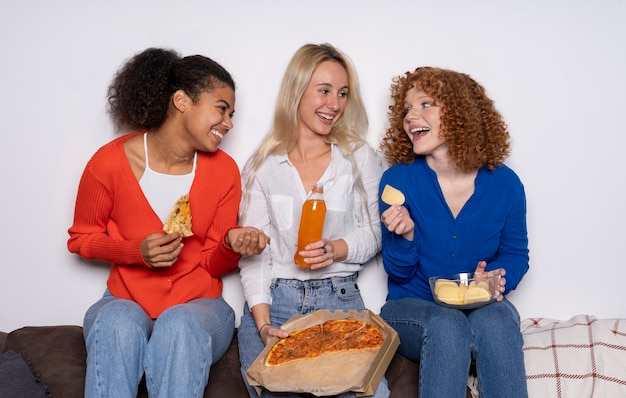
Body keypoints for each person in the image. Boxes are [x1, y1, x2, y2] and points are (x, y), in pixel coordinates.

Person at [67, 47, 270, 398]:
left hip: (199, 306)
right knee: (117, 322)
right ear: (181, 101)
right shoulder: (109, 163)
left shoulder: (223, 171)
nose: (229, 123)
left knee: (179, 324)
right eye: (221, 109)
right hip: (124, 298)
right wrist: (135, 252)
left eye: (232, 114)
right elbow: (80, 239)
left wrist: (230, 244)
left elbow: (211, 263)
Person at [237, 43, 390, 398]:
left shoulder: (358, 157)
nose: (334, 105)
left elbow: (378, 231)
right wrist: (262, 325)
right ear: (297, 90)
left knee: (372, 394)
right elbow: (254, 256)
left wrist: (339, 248)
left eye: (342, 94)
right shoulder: (262, 166)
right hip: (276, 302)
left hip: (339, 299)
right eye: (323, 91)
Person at [378, 66, 529, 397]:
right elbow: (397, 271)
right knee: (448, 325)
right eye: (406, 109)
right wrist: (404, 238)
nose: (410, 116)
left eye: (425, 104)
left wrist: (496, 277)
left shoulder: (506, 184)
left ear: (460, 112)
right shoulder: (398, 181)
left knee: (499, 319)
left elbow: (516, 254)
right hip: (410, 307)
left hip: (480, 303)